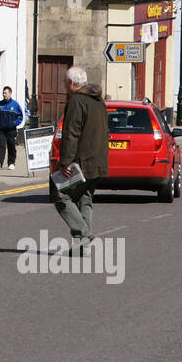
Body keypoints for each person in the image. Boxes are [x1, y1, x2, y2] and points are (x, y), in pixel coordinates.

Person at [53, 66, 108, 254]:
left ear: (71, 83)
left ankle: (84, 233)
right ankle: (81, 247)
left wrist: (65, 162)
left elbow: (72, 134)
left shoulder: (77, 101)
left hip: (82, 161)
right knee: (84, 198)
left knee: (60, 194)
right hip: (98, 160)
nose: (63, 85)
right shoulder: (98, 101)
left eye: (64, 82)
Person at [0, 86, 24, 170]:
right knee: (0, 145)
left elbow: (20, 116)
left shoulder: (15, 105)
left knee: (11, 145)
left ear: (10, 93)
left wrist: (14, 123)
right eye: (3, 93)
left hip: (11, 129)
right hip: (1, 129)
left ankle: (11, 163)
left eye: (5, 93)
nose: (4, 94)